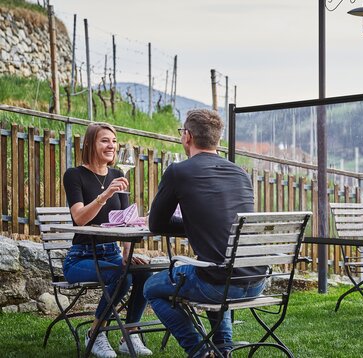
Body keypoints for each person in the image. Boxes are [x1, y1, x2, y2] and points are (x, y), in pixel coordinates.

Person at [144, 109, 266, 358]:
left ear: (187, 136)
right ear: (217, 140)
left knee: (151, 287)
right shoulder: (241, 174)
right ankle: (223, 351)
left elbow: (156, 224)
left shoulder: (179, 172)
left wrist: (191, 225)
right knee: (212, 269)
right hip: (256, 282)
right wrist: (198, 225)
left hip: (217, 284)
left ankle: (199, 351)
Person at [62, 123, 153, 358]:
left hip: (111, 254)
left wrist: (127, 254)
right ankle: (95, 333)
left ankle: (129, 333)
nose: (111, 145)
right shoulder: (74, 175)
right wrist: (105, 195)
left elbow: (124, 220)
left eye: (113, 141)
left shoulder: (118, 175)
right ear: (91, 144)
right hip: (81, 257)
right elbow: (79, 218)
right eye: (104, 140)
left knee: (143, 273)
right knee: (121, 277)